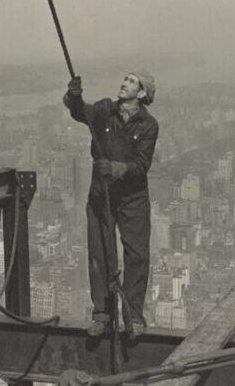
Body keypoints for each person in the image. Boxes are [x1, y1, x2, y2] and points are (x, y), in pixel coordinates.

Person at [63, 71, 159, 338]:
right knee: (100, 253)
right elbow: (80, 113)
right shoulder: (105, 110)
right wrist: (74, 95)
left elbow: (141, 165)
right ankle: (102, 314)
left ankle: (133, 317)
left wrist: (115, 168)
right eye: (125, 79)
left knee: (137, 255)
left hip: (132, 198)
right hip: (101, 194)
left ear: (142, 93)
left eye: (131, 81)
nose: (124, 83)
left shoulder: (148, 126)